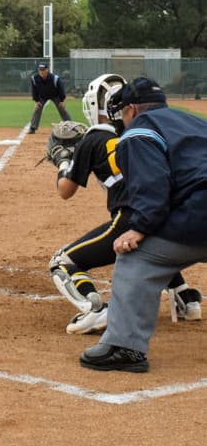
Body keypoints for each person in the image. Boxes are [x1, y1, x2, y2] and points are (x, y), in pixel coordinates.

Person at [50, 74, 199, 335]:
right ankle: (187, 300)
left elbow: (65, 191)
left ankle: (94, 308)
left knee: (62, 262)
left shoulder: (93, 138)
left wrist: (63, 159)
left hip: (133, 216)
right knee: (154, 248)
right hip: (173, 211)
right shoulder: (154, 130)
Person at [80, 77, 207, 372]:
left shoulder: (138, 132)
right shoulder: (195, 123)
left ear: (132, 110)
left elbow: (152, 187)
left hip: (200, 215)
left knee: (136, 257)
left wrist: (138, 228)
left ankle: (125, 347)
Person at [28, 62, 71, 134]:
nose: (42, 72)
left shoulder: (55, 78)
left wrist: (62, 100)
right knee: (37, 109)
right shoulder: (34, 78)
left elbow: (61, 89)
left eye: (43, 70)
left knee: (62, 109)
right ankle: (32, 128)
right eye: (40, 70)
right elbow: (34, 90)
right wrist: (36, 101)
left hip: (55, 95)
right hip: (42, 96)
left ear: (47, 70)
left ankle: (70, 127)